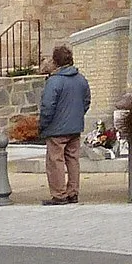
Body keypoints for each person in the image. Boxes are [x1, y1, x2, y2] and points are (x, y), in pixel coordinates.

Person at [38, 43, 92, 204]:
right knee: (73, 160)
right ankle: (73, 192)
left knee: (55, 161)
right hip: (75, 127)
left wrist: (43, 125)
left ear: (56, 62)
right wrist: (77, 115)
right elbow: (87, 101)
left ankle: (59, 195)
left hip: (56, 129)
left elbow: (48, 106)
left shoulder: (54, 81)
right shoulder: (81, 79)